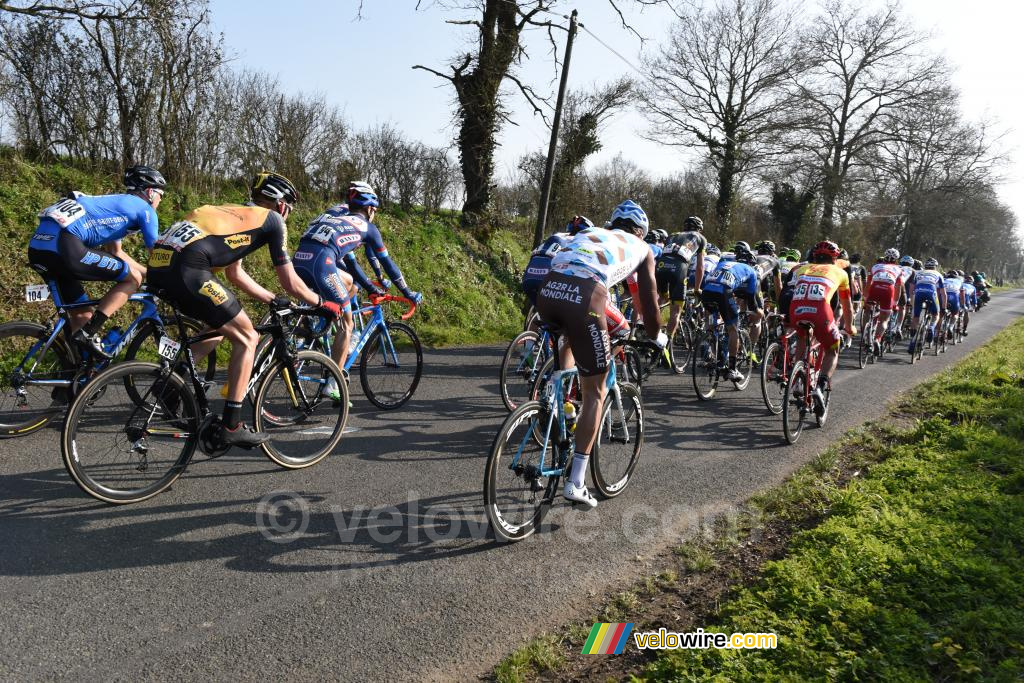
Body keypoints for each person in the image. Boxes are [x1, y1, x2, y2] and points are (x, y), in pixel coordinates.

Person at [147, 171, 341, 448]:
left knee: (218, 327)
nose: (288, 212)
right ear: (281, 203)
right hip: (190, 268)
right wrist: (321, 303)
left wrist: (271, 298)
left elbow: (234, 272)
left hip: (159, 267)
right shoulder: (272, 220)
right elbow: (291, 281)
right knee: (248, 336)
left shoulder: (233, 214)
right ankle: (232, 425)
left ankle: (170, 380)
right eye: (289, 206)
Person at [536, 199, 667, 508]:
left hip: (548, 290)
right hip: (586, 295)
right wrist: (656, 335)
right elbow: (648, 305)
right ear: (641, 232)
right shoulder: (642, 248)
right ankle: (577, 482)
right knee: (595, 391)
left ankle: (555, 399)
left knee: (572, 337)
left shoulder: (592, 232)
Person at [292, 182, 424, 399]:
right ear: (370, 209)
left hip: (297, 261)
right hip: (321, 264)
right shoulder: (368, 228)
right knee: (347, 322)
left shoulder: (335, 217)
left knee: (350, 283)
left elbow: (351, 265)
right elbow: (387, 264)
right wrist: (407, 291)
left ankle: (311, 329)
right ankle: (333, 382)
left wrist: (370, 285)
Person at [27, 165, 166, 357]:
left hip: (38, 248)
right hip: (66, 246)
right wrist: (168, 277)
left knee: (83, 314)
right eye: (161, 194)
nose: (160, 200)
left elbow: (116, 252)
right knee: (132, 279)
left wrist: (149, 273)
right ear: (151, 192)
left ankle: (78, 371)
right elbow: (158, 256)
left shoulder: (113, 205)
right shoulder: (145, 209)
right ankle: (89, 333)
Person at [787, 240, 855, 414]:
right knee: (833, 349)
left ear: (814, 256)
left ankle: (797, 380)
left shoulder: (802, 268)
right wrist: (849, 327)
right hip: (820, 312)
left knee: (803, 336)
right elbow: (847, 306)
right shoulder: (841, 273)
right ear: (835, 258)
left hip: (796, 310)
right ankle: (820, 386)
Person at [700, 243, 763, 382]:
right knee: (733, 329)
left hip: (707, 291)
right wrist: (759, 314)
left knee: (712, 320)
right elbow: (752, 302)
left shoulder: (726, 263)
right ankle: (732, 369)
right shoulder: (752, 272)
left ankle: (709, 344)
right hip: (723, 292)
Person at [522, 216, 593, 309]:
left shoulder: (558, 235)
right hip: (548, 278)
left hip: (528, 278)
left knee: (542, 313)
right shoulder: (578, 242)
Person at [656, 216, 707, 341]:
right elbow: (700, 266)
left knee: (662, 298)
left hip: (661, 266)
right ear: (699, 229)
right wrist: (697, 289)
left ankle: (651, 332)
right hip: (679, 268)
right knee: (675, 311)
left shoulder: (672, 235)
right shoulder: (701, 238)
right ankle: (666, 344)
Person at [864, 248, 905, 355]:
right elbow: (898, 288)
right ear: (896, 259)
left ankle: (866, 332)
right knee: (884, 320)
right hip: (888, 290)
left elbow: (868, 283)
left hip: (875, 287)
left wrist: (865, 298)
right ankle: (877, 339)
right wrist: (895, 303)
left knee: (867, 311)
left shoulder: (875, 266)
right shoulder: (899, 269)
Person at [907, 258, 947, 355]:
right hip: (931, 292)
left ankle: (912, 342)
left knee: (916, 317)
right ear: (935, 267)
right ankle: (931, 328)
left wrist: (912, 302)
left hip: (918, 292)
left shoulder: (918, 273)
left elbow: (911, 289)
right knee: (936, 314)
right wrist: (943, 308)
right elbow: (943, 293)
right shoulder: (938, 274)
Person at [941, 269, 965, 340]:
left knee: (939, 314)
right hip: (953, 298)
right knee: (955, 314)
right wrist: (962, 305)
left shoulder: (943, 280)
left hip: (942, 297)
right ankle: (951, 327)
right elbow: (962, 296)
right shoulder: (959, 281)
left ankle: (936, 333)